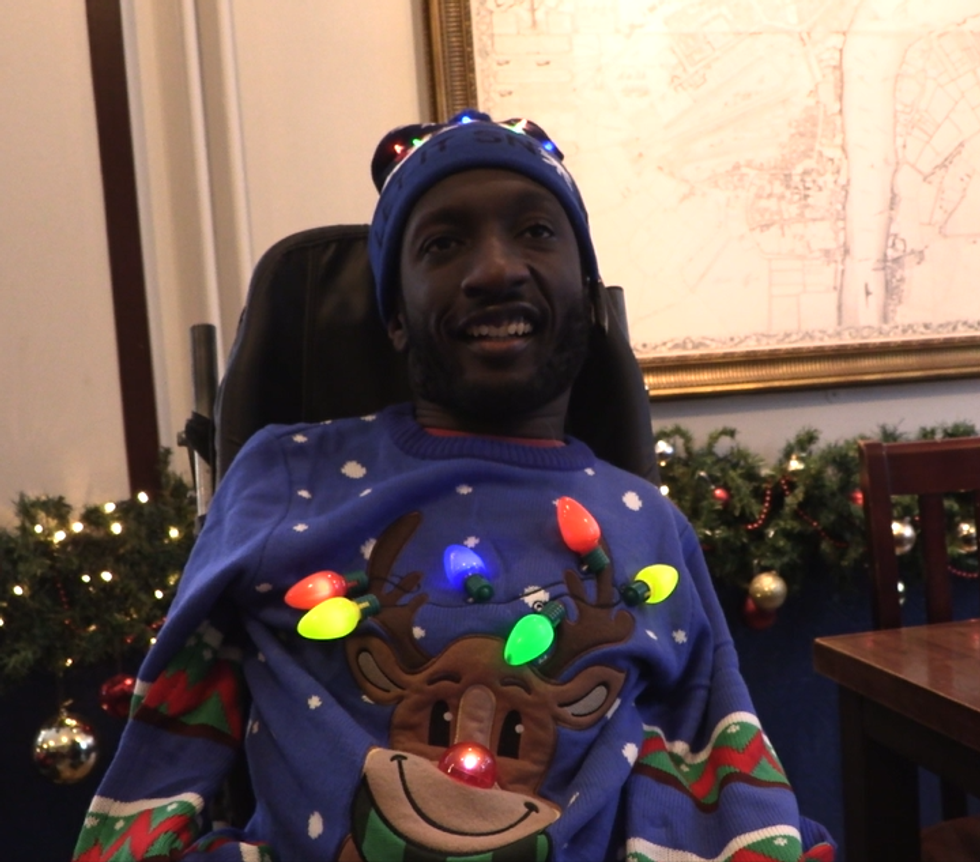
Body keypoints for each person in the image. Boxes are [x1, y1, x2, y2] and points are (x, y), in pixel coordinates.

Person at [74, 112, 836, 862]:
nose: (497, 268)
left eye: (537, 232)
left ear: (585, 291)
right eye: (443, 244)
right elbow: (168, 745)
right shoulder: (286, 477)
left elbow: (710, 764)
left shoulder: (649, 527)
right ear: (397, 316)